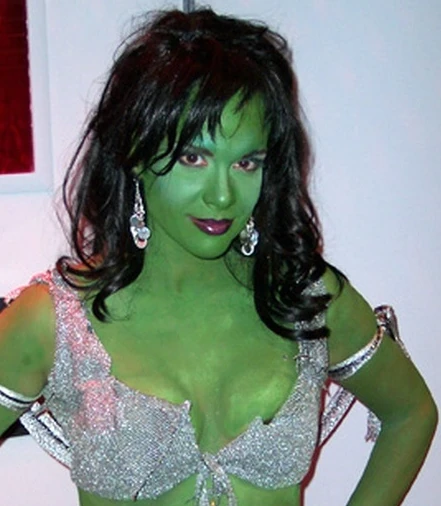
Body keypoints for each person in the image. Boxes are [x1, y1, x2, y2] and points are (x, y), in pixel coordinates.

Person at [0, 8, 437, 506]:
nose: (224, 195)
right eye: (194, 158)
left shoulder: (306, 300)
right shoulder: (55, 321)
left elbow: (412, 413)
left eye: (247, 162)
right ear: (136, 152)